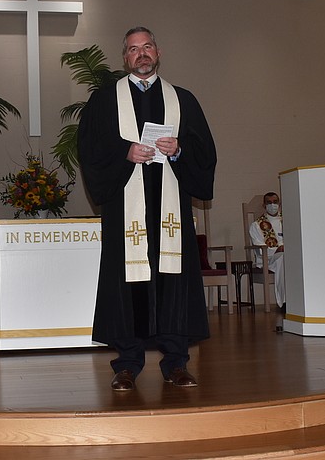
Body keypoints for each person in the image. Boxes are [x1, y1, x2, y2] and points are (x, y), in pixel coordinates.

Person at [78, 26, 217, 391]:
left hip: (170, 211)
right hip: (127, 212)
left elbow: (205, 153)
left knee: (173, 284)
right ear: (124, 57)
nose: (141, 54)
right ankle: (127, 364)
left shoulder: (182, 99)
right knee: (128, 285)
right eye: (133, 49)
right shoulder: (104, 100)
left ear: (158, 52)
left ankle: (176, 363)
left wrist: (180, 150)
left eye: (147, 47)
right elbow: (90, 152)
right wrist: (124, 153)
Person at [249, 191, 286, 309]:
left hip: (290, 256)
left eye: (275, 202)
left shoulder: (287, 221)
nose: (272, 205)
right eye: (269, 202)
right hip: (268, 259)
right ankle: (284, 302)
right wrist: (277, 250)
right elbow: (259, 249)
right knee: (282, 258)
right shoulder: (256, 225)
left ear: (279, 204)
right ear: (264, 206)